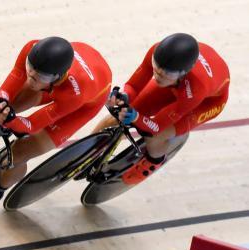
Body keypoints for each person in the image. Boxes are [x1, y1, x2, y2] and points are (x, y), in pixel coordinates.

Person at [0, 37, 112, 223]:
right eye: (29, 68)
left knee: (19, 152)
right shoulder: (33, 50)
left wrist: (12, 121)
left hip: (82, 103)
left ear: (57, 77)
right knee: (2, 107)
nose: (31, 76)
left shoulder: (75, 93)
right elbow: (17, 74)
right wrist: (1, 98)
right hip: (59, 78)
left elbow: (32, 125)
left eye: (39, 76)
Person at [93, 33, 230, 185]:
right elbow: (133, 85)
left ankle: (154, 161)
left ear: (184, 73)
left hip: (205, 103)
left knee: (155, 136)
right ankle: (88, 151)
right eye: (156, 68)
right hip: (175, 86)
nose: (158, 76)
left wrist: (136, 117)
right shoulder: (158, 54)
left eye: (167, 74)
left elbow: (156, 127)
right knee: (117, 116)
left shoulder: (196, 88)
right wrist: (124, 96)